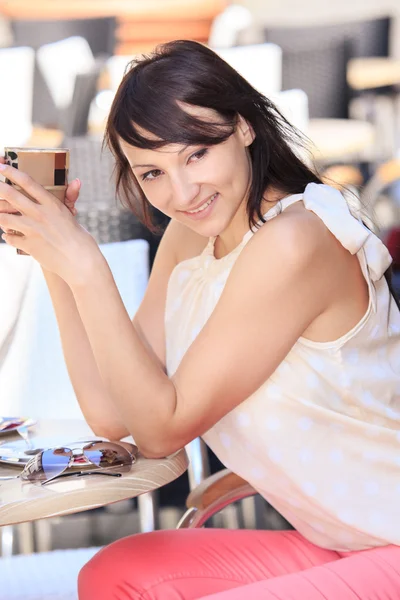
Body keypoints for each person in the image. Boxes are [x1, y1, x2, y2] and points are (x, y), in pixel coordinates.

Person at [0, 39, 399, 600]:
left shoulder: (295, 239)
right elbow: (114, 414)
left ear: (242, 127)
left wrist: (89, 268)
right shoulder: (193, 235)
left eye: (196, 154)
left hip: (390, 540)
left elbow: (164, 430)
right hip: (340, 538)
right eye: (152, 172)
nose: (182, 192)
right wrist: (56, 262)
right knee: (111, 576)